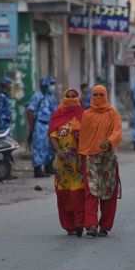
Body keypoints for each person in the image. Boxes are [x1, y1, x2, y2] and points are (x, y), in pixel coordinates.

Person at [78, 85, 123, 238]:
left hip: (107, 158)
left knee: (109, 191)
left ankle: (105, 226)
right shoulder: (86, 114)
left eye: (101, 94)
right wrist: (81, 156)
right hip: (90, 157)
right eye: (95, 94)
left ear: (106, 95)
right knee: (91, 191)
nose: (98, 98)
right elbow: (83, 137)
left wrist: (109, 141)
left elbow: (117, 131)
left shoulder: (112, 113)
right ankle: (90, 225)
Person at [49, 89, 85, 237]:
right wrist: (58, 151)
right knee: (63, 194)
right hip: (62, 163)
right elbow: (52, 135)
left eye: (74, 96)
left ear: (78, 98)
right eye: (68, 96)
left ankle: (79, 223)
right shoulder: (58, 114)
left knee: (78, 193)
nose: (71, 99)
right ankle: (68, 225)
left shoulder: (83, 115)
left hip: (78, 162)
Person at [26, 76, 58, 178]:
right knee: (39, 146)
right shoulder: (37, 96)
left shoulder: (51, 97)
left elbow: (55, 111)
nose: (51, 87)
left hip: (50, 124)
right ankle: (38, 169)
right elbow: (30, 111)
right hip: (40, 124)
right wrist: (31, 127)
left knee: (50, 147)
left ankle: (48, 166)